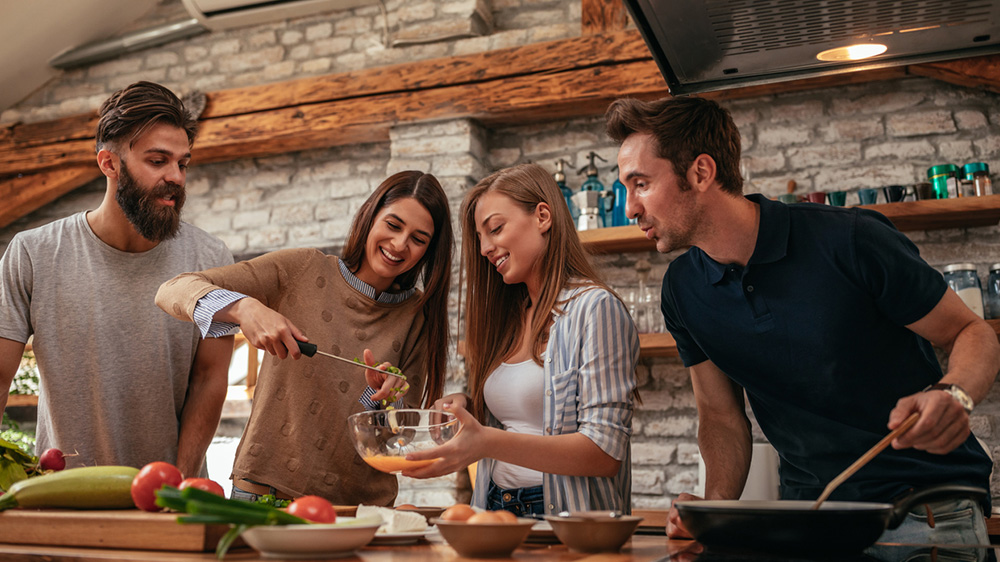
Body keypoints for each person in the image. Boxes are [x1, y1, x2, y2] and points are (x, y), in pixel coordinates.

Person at [606, 95, 1000, 545]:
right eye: (625, 188)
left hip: (922, 514)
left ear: (700, 172)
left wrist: (956, 395)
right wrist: (710, 512)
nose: (630, 208)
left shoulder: (850, 239)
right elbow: (720, 415)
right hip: (808, 517)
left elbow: (973, 331)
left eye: (640, 184)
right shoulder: (682, 288)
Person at [155, 170, 453, 505]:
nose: (400, 245)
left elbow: (401, 438)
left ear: (429, 251)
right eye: (393, 225)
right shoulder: (301, 268)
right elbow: (173, 290)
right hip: (265, 494)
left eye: (418, 239)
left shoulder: (419, 316)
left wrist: (384, 401)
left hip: (361, 510)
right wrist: (245, 308)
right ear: (370, 217)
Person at [0, 81, 235, 477]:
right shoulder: (32, 253)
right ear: (109, 163)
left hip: (168, 497)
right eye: (158, 161)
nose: (176, 176)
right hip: (57, 492)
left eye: (183, 163)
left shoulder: (211, 260)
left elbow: (210, 378)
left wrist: (180, 478)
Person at [403, 163, 639, 516]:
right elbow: (524, 416)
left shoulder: (594, 308)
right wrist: (468, 406)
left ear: (543, 216)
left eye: (495, 228)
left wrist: (484, 442)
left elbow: (605, 454)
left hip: (561, 517)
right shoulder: (510, 318)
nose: (485, 248)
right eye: (480, 238)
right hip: (494, 507)